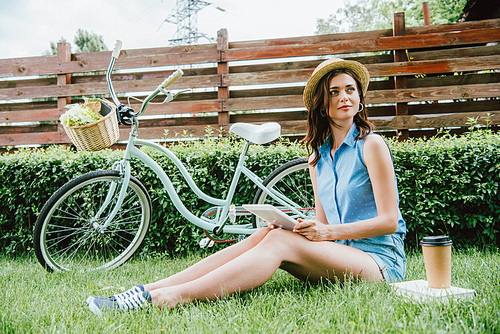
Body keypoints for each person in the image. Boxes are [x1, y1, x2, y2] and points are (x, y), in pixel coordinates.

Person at [86, 58, 407, 316]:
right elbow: (321, 223)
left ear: (360, 98)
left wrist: (325, 234)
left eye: (350, 89)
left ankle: (170, 298)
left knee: (279, 243)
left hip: (378, 262)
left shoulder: (371, 145)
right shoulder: (316, 158)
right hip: (338, 254)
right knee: (267, 233)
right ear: (324, 104)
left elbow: (389, 221)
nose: (344, 97)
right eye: (334, 92)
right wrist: (299, 226)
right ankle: (146, 290)